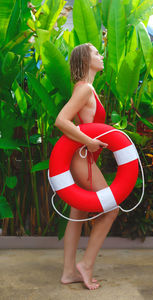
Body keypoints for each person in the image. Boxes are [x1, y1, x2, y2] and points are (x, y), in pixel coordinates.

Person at [54, 43, 119, 290]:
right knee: (111, 209)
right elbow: (61, 120)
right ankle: (86, 265)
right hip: (82, 161)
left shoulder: (86, 89)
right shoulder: (85, 89)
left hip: (82, 160)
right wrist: (90, 141)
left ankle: (69, 271)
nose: (101, 56)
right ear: (84, 59)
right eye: (95, 53)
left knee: (77, 215)